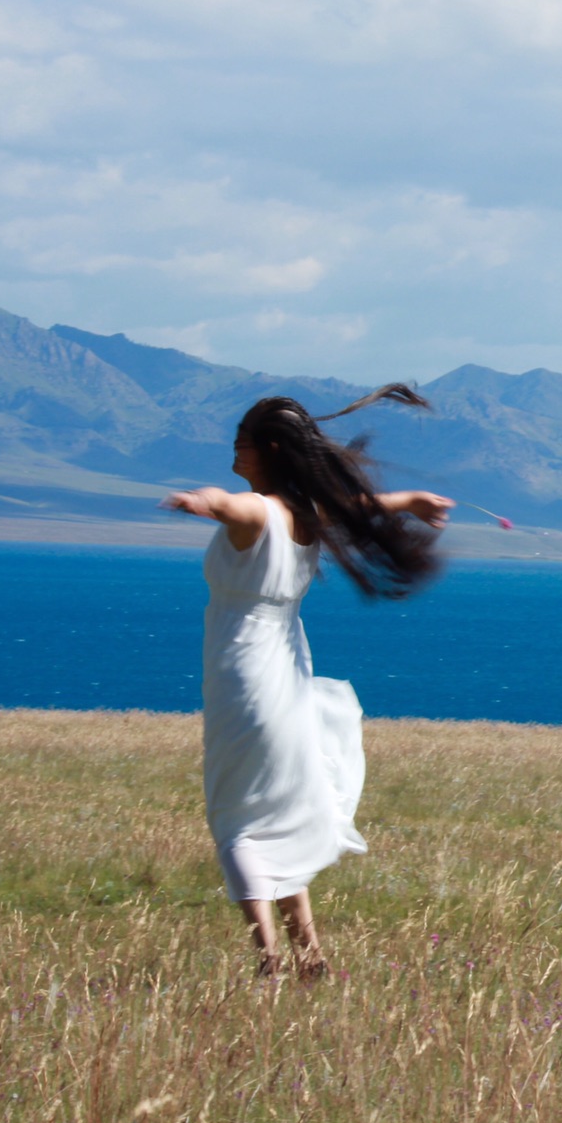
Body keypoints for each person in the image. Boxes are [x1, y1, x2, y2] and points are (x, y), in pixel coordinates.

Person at [165, 385, 452, 978]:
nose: (232, 456)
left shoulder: (260, 512)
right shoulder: (306, 516)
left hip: (244, 673)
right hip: (289, 671)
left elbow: (228, 504)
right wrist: (410, 502)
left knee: (239, 819)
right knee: (280, 808)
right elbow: (362, 504)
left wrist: (199, 501)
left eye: (240, 444)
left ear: (269, 448)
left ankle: (269, 960)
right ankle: (310, 954)